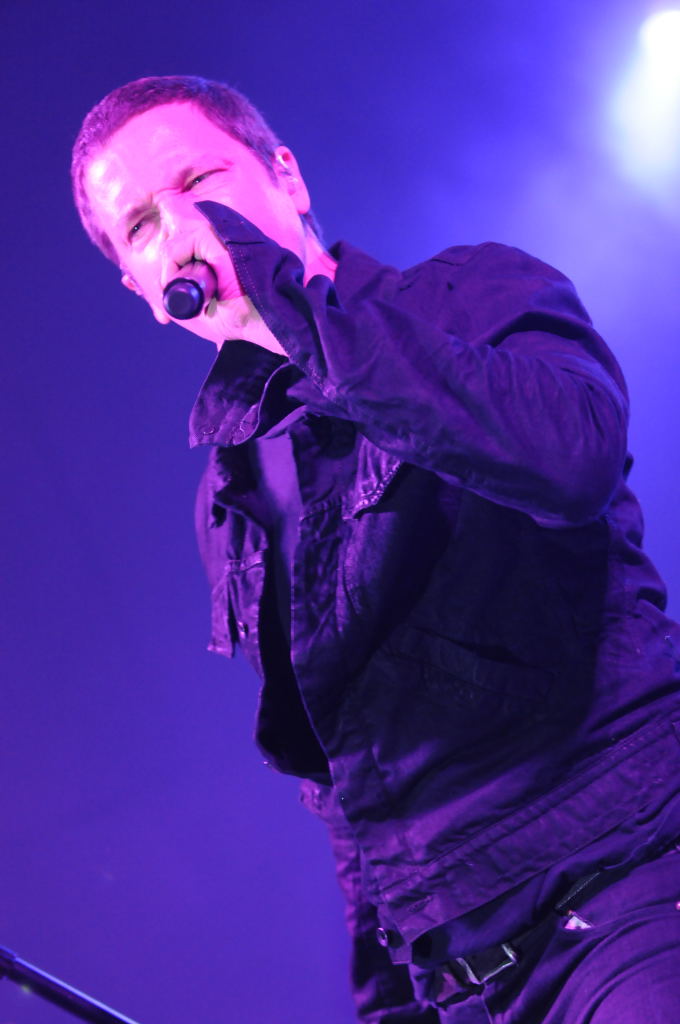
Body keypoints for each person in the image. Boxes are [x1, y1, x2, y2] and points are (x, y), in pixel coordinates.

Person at [71, 75, 680, 1023]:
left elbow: (574, 458)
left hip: (630, 892)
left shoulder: (471, 296)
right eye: (142, 225)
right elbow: (350, 772)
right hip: (468, 980)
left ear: (287, 176)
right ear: (141, 290)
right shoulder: (229, 494)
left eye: (199, 182)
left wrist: (290, 310)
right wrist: (389, 999)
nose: (181, 228)